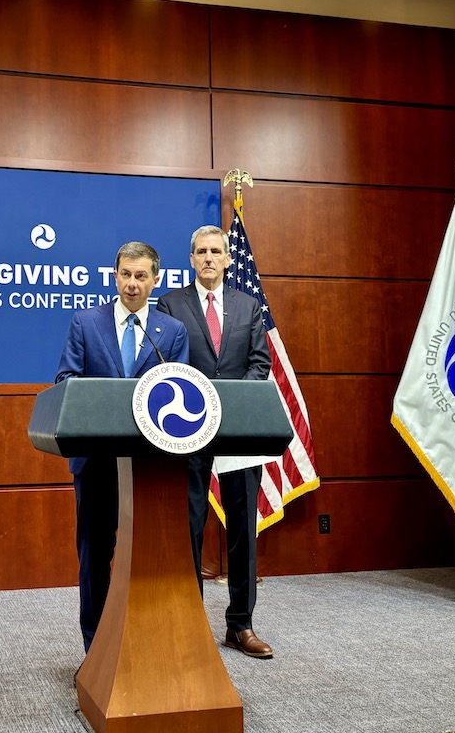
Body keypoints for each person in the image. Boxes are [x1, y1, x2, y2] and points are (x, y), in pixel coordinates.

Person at [55, 240, 189, 653]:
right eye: (125, 275)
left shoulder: (172, 331)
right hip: (97, 462)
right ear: (115, 276)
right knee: (95, 558)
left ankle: (145, 648)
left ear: (156, 280)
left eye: (141, 276)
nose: (132, 284)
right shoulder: (86, 323)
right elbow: (66, 382)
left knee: (150, 557)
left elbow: (181, 390)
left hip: (152, 466)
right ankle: (95, 650)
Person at [156, 224, 274, 658]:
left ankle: (240, 626)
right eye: (201, 251)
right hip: (188, 429)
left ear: (228, 259)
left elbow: (259, 363)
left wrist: (232, 402)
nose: (209, 257)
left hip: (239, 428)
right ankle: (189, 622)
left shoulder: (248, 306)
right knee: (189, 525)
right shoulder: (170, 304)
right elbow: (165, 363)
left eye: (216, 251)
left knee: (243, 527)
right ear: (191, 259)